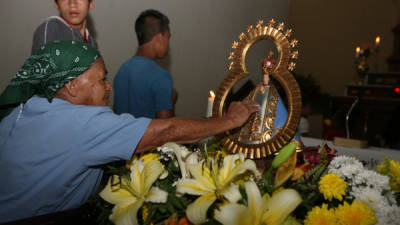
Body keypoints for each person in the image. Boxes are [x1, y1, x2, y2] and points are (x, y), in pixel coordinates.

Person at [0, 40, 259, 223]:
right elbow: (166, 131)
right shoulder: (82, 124)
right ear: (72, 86)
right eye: (101, 79)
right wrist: (230, 121)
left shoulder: (25, 108)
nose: (108, 87)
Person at [113, 9, 177, 119]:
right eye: (168, 37)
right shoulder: (161, 77)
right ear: (159, 38)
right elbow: (166, 130)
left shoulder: (122, 70)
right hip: (149, 137)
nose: (168, 44)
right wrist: (172, 102)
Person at [31, 0, 97, 54]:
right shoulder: (51, 28)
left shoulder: (92, 43)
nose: (72, 4)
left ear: (91, 4)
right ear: (56, 4)